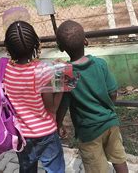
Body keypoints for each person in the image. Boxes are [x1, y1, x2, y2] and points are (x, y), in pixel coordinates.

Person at [55, 20, 129, 173]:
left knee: (97, 168)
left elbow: (63, 104)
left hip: (88, 131)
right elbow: (113, 92)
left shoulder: (65, 74)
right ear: (86, 41)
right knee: (119, 158)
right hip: (110, 123)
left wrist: (58, 123)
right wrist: (109, 107)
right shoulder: (100, 64)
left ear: (61, 48)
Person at [3, 21, 65, 173]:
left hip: (22, 135)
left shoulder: (5, 70)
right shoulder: (42, 71)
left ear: (8, 48)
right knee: (55, 169)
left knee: (27, 168)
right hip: (46, 134)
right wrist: (61, 85)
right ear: (37, 44)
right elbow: (52, 108)